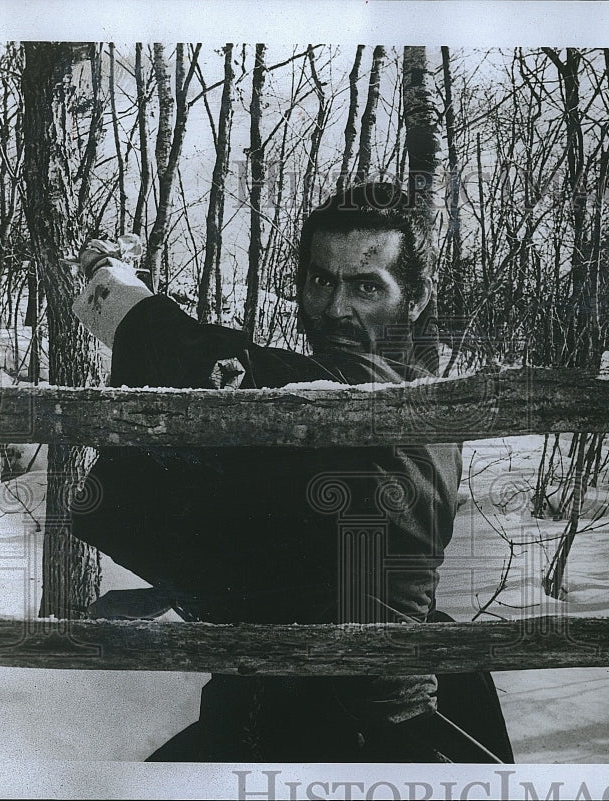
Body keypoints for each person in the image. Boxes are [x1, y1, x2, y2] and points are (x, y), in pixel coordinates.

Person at [69, 183, 513, 763]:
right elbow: (289, 529)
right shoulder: (332, 399)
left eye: (366, 286)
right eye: (322, 281)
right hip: (284, 694)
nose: (336, 308)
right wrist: (179, 589)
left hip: (364, 727)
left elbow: (207, 363)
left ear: (415, 297)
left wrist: (113, 286)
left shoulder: (389, 398)